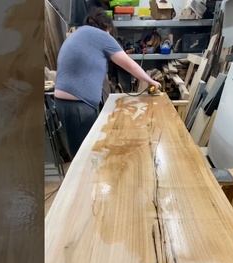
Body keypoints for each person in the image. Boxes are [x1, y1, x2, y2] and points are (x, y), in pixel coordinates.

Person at [54, 8, 161, 156]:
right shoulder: (101, 36)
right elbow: (129, 64)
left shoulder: (78, 33)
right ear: (107, 27)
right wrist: (151, 82)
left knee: (78, 155)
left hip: (62, 103)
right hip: (78, 105)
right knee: (86, 158)